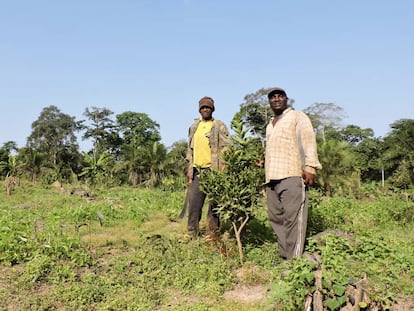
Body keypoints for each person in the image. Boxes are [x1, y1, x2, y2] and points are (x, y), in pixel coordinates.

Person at [264, 87, 321, 260]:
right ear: (270, 102)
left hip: (292, 174)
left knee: (293, 220)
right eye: (273, 97)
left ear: (286, 99)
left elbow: (308, 141)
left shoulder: (297, 116)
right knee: (277, 219)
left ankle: (294, 262)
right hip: (272, 178)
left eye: (280, 96)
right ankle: (285, 257)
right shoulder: (270, 124)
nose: (276, 99)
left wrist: (310, 167)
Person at [185, 96, 230, 238]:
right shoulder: (194, 127)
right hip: (197, 170)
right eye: (203, 107)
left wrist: (224, 165)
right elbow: (190, 149)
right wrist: (189, 169)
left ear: (212, 109)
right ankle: (192, 233)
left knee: (214, 203)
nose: (205, 110)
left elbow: (226, 147)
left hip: (213, 169)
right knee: (194, 204)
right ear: (199, 110)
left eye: (208, 107)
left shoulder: (218, 125)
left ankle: (213, 233)